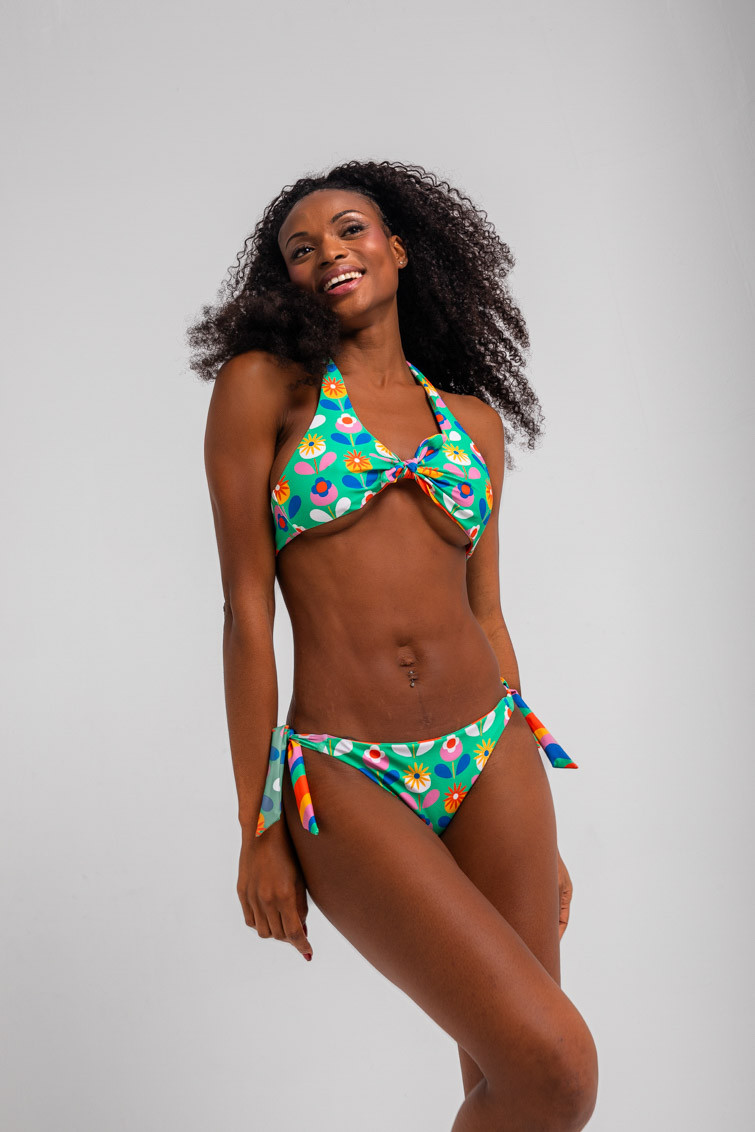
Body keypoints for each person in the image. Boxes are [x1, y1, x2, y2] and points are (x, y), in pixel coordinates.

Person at [191, 160, 599, 1130]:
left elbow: (486, 612)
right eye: (300, 248)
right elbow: (246, 613)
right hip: (342, 771)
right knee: (557, 1071)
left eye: (349, 229)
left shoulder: (473, 425)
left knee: (516, 1086)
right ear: (287, 281)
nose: (328, 252)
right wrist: (257, 827)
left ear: (399, 249)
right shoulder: (264, 391)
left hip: (492, 752)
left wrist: (538, 827)